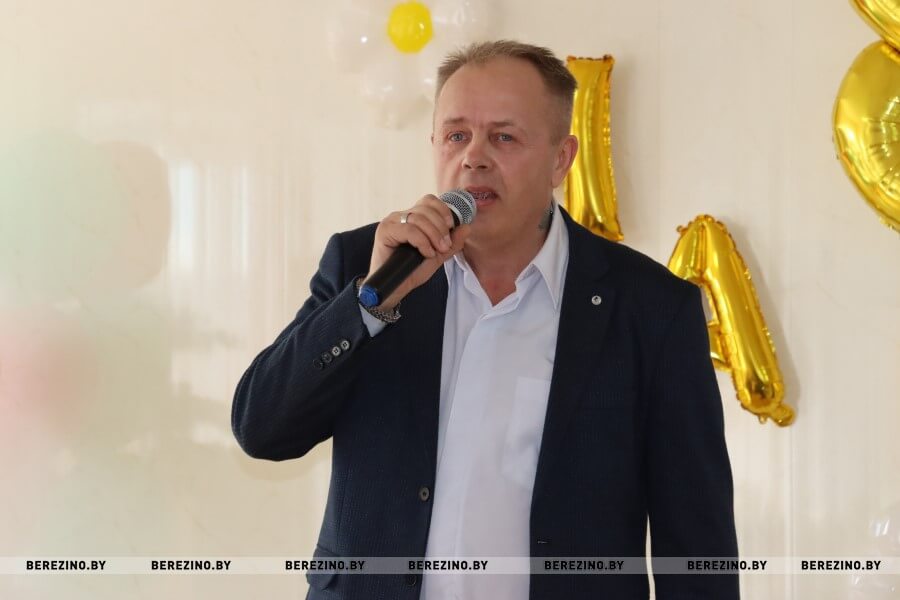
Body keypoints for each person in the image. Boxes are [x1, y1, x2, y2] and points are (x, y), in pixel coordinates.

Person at [232, 40, 740, 600]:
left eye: (504, 137)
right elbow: (262, 429)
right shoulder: (368, 266)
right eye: (456, 135)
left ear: (561, 159)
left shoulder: (650, 308)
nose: (474, 157)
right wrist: (368, 308)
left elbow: (697, 547)